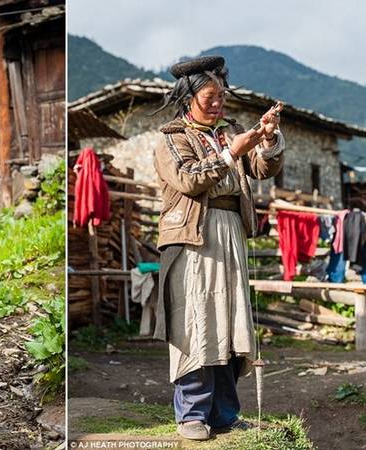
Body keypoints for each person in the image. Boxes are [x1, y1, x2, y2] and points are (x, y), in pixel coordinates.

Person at [153, 56, 284, 440]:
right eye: (209, 96)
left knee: (229, 322)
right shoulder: (171, 137)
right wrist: (231, 153)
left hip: (230, 230)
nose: (217, 104)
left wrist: (268, 138)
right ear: (188, 97)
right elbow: (187, 179)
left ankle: (225, 414)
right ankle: (193, 414)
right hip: (194, 237)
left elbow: (261, 169)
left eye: (221, 96)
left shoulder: (230, 131)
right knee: (197, 320)